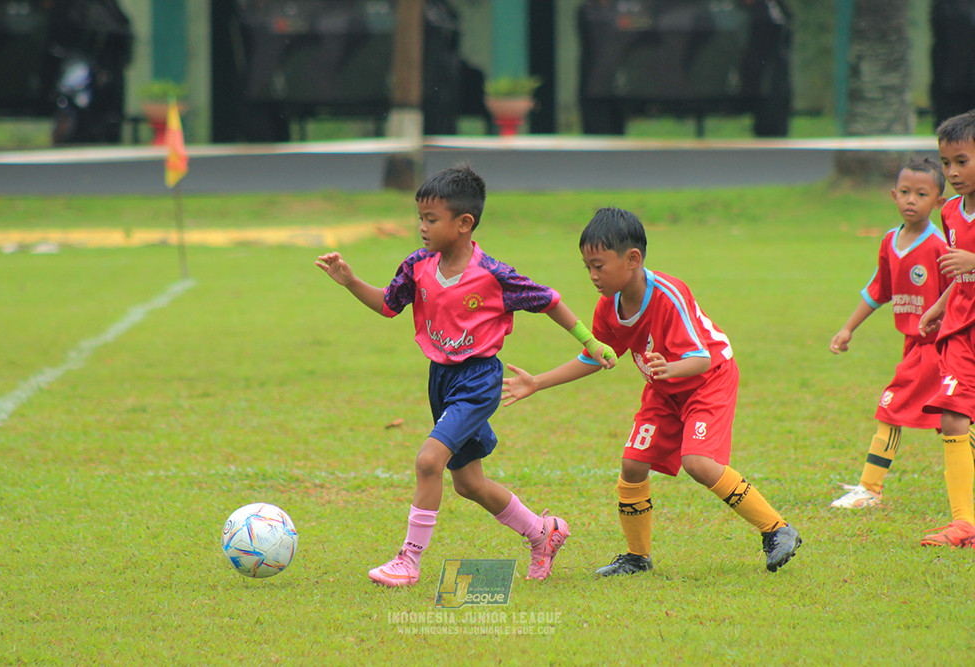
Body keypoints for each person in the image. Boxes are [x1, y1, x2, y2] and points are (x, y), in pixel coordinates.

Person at [315, 165, 616, 587]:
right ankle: (542, 532)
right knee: (469, 483)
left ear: (463, 223)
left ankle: (409, 560)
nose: (421, 227)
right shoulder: (417, 266)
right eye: (420, 218)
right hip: (441, 379)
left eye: (431, 219)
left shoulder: (493, 274)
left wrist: (590, 341)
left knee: (428, 462)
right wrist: (349, 282)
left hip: (478, 381)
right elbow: (387, 305)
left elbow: (548, 301)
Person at [502, 207, 801, 575]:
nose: (592, 275)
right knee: (633, 464)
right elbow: (595, 357)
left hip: (708, 382)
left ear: (632, 259)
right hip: (664, 390)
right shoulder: (608, 307)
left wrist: (670, 368)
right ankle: (637, 557)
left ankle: (777, 529)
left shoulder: (669, 295)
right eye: (587, 267)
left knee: (698, 463)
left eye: (599, 265)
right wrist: (538, 382)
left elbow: (702, 359)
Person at [829, 157, 949, 509]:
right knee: (952, 421)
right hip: (912, 346)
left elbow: (959, 291)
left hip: (937, 347)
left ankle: (870, 488)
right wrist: (848, 328)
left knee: (891, 407)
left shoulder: (939, 246)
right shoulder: (889, 242)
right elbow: (878, 289)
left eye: (922, 194)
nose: (912, 200)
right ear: (893, 195)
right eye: (906, 192)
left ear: (938, 202)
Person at [918, 109, 975, 548]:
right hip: (960, 327)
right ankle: (963, 524)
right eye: (946, 163)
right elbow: (960, 273)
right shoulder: (951, 211)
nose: (952, 172)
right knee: (953, 414)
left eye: (962, 161)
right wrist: (939, 306)